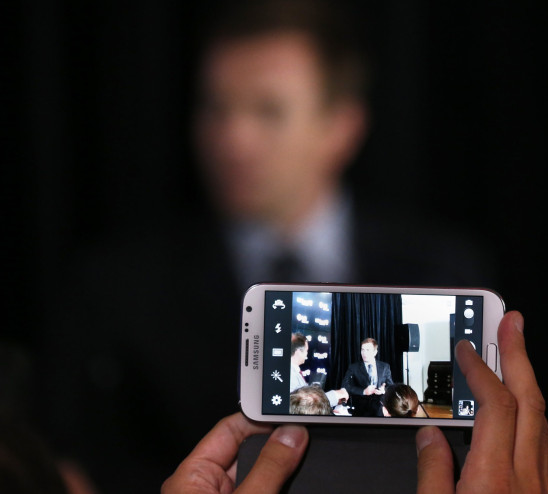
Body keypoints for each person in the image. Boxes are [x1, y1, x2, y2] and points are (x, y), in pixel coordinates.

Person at [37, 0, 491, 491]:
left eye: (268, 111)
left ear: (343, 126)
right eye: (216, 107)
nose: (233, 140)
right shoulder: (115, 289)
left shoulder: (442, 268)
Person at [162, 311, 548, 493]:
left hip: (384, 417)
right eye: (364, 352)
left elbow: (393, 389)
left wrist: (382, 395)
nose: (367, 357)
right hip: (353, 416)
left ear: (376, 351)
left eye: (370, 352)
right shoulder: (350, 367)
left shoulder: (385, 368)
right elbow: (343, 389)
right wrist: (357, 395)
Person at [290, 333, 347, 407]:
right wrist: (335, 395)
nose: (307, 354)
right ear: (298, 352)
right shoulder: (291, 375)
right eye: (306, 350)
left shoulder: (294, 371)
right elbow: (305, 404)